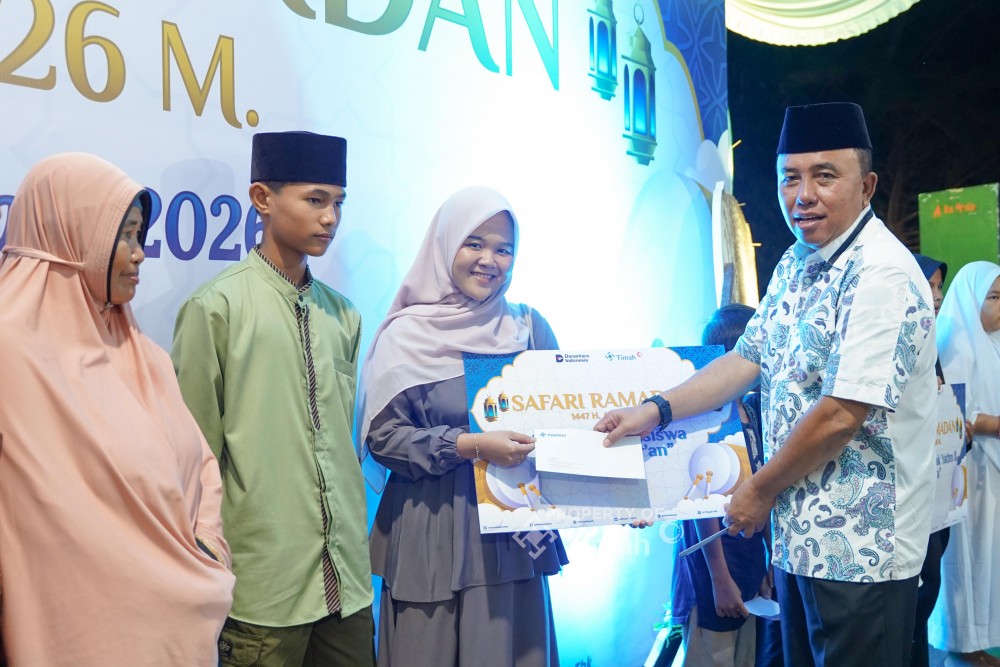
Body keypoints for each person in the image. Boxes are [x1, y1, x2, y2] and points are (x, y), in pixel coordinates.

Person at [596, 102, 937, 667]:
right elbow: (745, 359)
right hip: (799, 543)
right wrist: (656, 409)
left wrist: (757, 491)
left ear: (867, 186)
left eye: (824, 176)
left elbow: (840, 415)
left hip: (864, 552)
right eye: (790, 178)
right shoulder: (798, 261)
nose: (803, 195)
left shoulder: (882, 272)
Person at [0, 153, 234, 665]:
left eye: (139, 234)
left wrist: (207, 548)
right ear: (71, 237)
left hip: (174, 629)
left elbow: (201, 464)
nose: (140, 253)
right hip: (69, 636)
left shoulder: (144, 355)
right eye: (123, 235)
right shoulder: (10, 352)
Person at [172, 132, 374, 666]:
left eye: (338, 202)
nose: (330, 218)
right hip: (263, 588)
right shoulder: (216, 308)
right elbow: (193, 460)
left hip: (347, 585)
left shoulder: (344, 315)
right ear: (263, 198)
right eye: (315, 199)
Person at [359, 186, 568, 667]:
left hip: (512, 533)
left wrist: (620, 494)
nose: (489, 260)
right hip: (428, 531)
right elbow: (385, 440)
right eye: (474, 243)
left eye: (503, 249)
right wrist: (470, 445)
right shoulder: (405, 335)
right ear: (445, 244)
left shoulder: (528, 329)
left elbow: (565, 427)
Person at [671, 304, 768, 667]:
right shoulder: (702, 418)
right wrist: (720, 579)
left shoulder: (753, 411)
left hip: (747, 562)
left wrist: (765, 563)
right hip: (712, 572)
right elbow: (699, 507)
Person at [933, 261, 1000, 667]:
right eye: (993, 297)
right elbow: (955, 413)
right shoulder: (953, 341)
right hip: (967, 471)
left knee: (989, 555)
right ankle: (963, 643)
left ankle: (983, 637)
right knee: (967, 555)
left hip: (992, 470)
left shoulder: (994, 343)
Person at [909, 253, 950, 667]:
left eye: (940, 287)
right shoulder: (899, 340)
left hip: (934, 491)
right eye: (929, 285)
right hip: (906, 496)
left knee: (929, 585)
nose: (936, 296)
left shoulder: (931, 341)